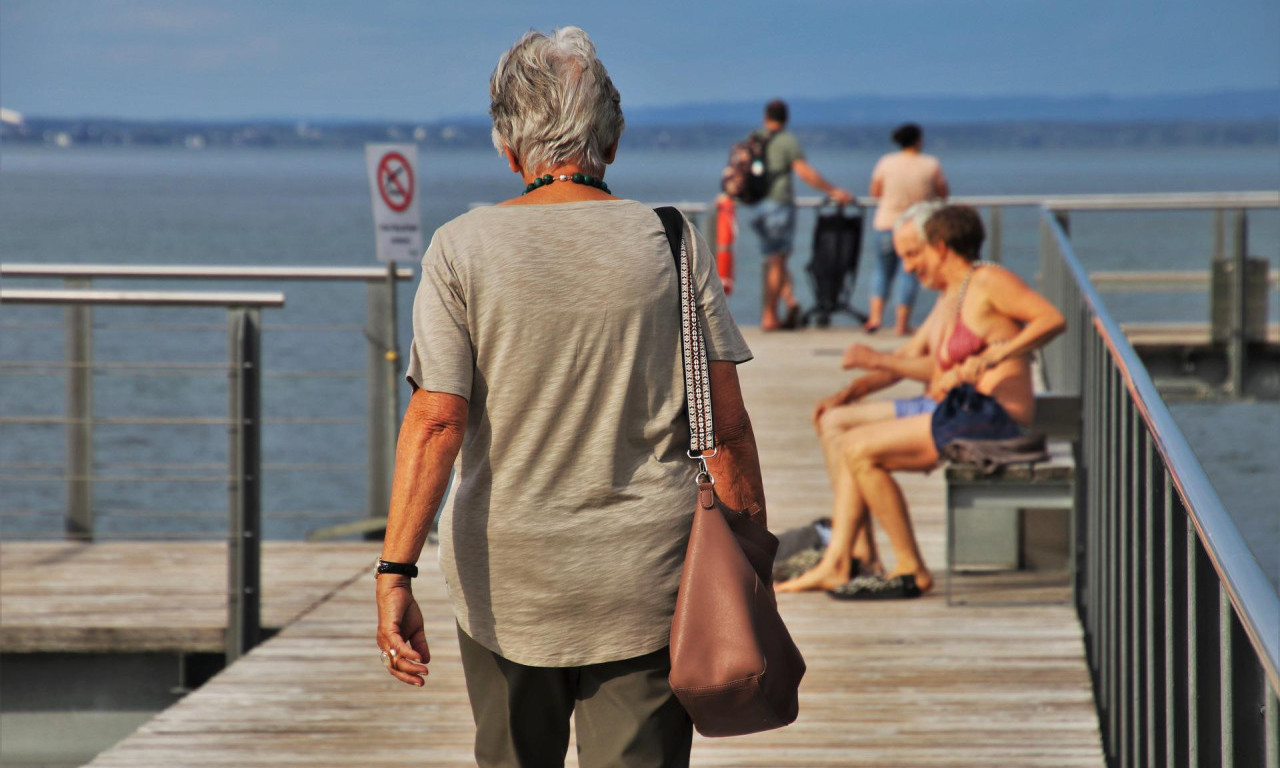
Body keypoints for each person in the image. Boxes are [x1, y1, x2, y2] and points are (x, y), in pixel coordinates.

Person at [373, 27, 763, 768]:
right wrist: (753, 566)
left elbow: (435, 423)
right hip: (649, 576)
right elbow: (728, 430)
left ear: (506, 144)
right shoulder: (671, 239)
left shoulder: (460, 247)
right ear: (610, 141)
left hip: (508, 580)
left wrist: (396, 573)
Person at [777, 204, 1064, 598]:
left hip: (993, 418)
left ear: (940, 247)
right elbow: (910, 359)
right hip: (964, 412)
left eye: (917, 253)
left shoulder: (988, 280)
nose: (910, 266)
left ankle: (899, 566)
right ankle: (849, 557)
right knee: (847, 436)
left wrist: (997, 355)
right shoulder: (960, 292)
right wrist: (852, 390)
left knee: (856, 448)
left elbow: (1051, 318)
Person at [746, 99, 854, 331]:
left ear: (766, 117)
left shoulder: (754, 138)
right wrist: (833, 190)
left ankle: (787, 301)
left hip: (755, 207)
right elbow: (803, 171)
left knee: (772, 260)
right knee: (777, 261)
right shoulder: (787, 140)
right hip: (777, 204)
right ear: (786, 118)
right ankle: (770, 315)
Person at [865, 123, 950, 336]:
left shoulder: (886, 162)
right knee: (909, 274)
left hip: (885, 223)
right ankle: (901, 324)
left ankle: (875, 317)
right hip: (915, 227)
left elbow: (875, 192)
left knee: (882, 271)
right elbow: (943, 193)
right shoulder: (930, 163)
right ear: (918, 140)